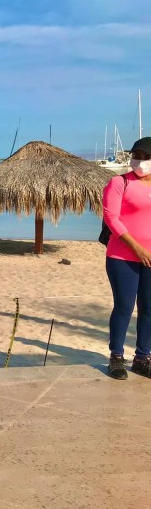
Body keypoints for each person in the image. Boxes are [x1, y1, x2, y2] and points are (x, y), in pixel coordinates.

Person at [103, 136, 151, 380]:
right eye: (136, 156)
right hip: (122, 257)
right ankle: (116, 358)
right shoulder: (119, 182)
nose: (139, 162)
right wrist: (138, 248)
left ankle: (143, 358)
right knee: (124, 307)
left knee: (149, 308)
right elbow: (112, 219)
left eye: (145, 157)